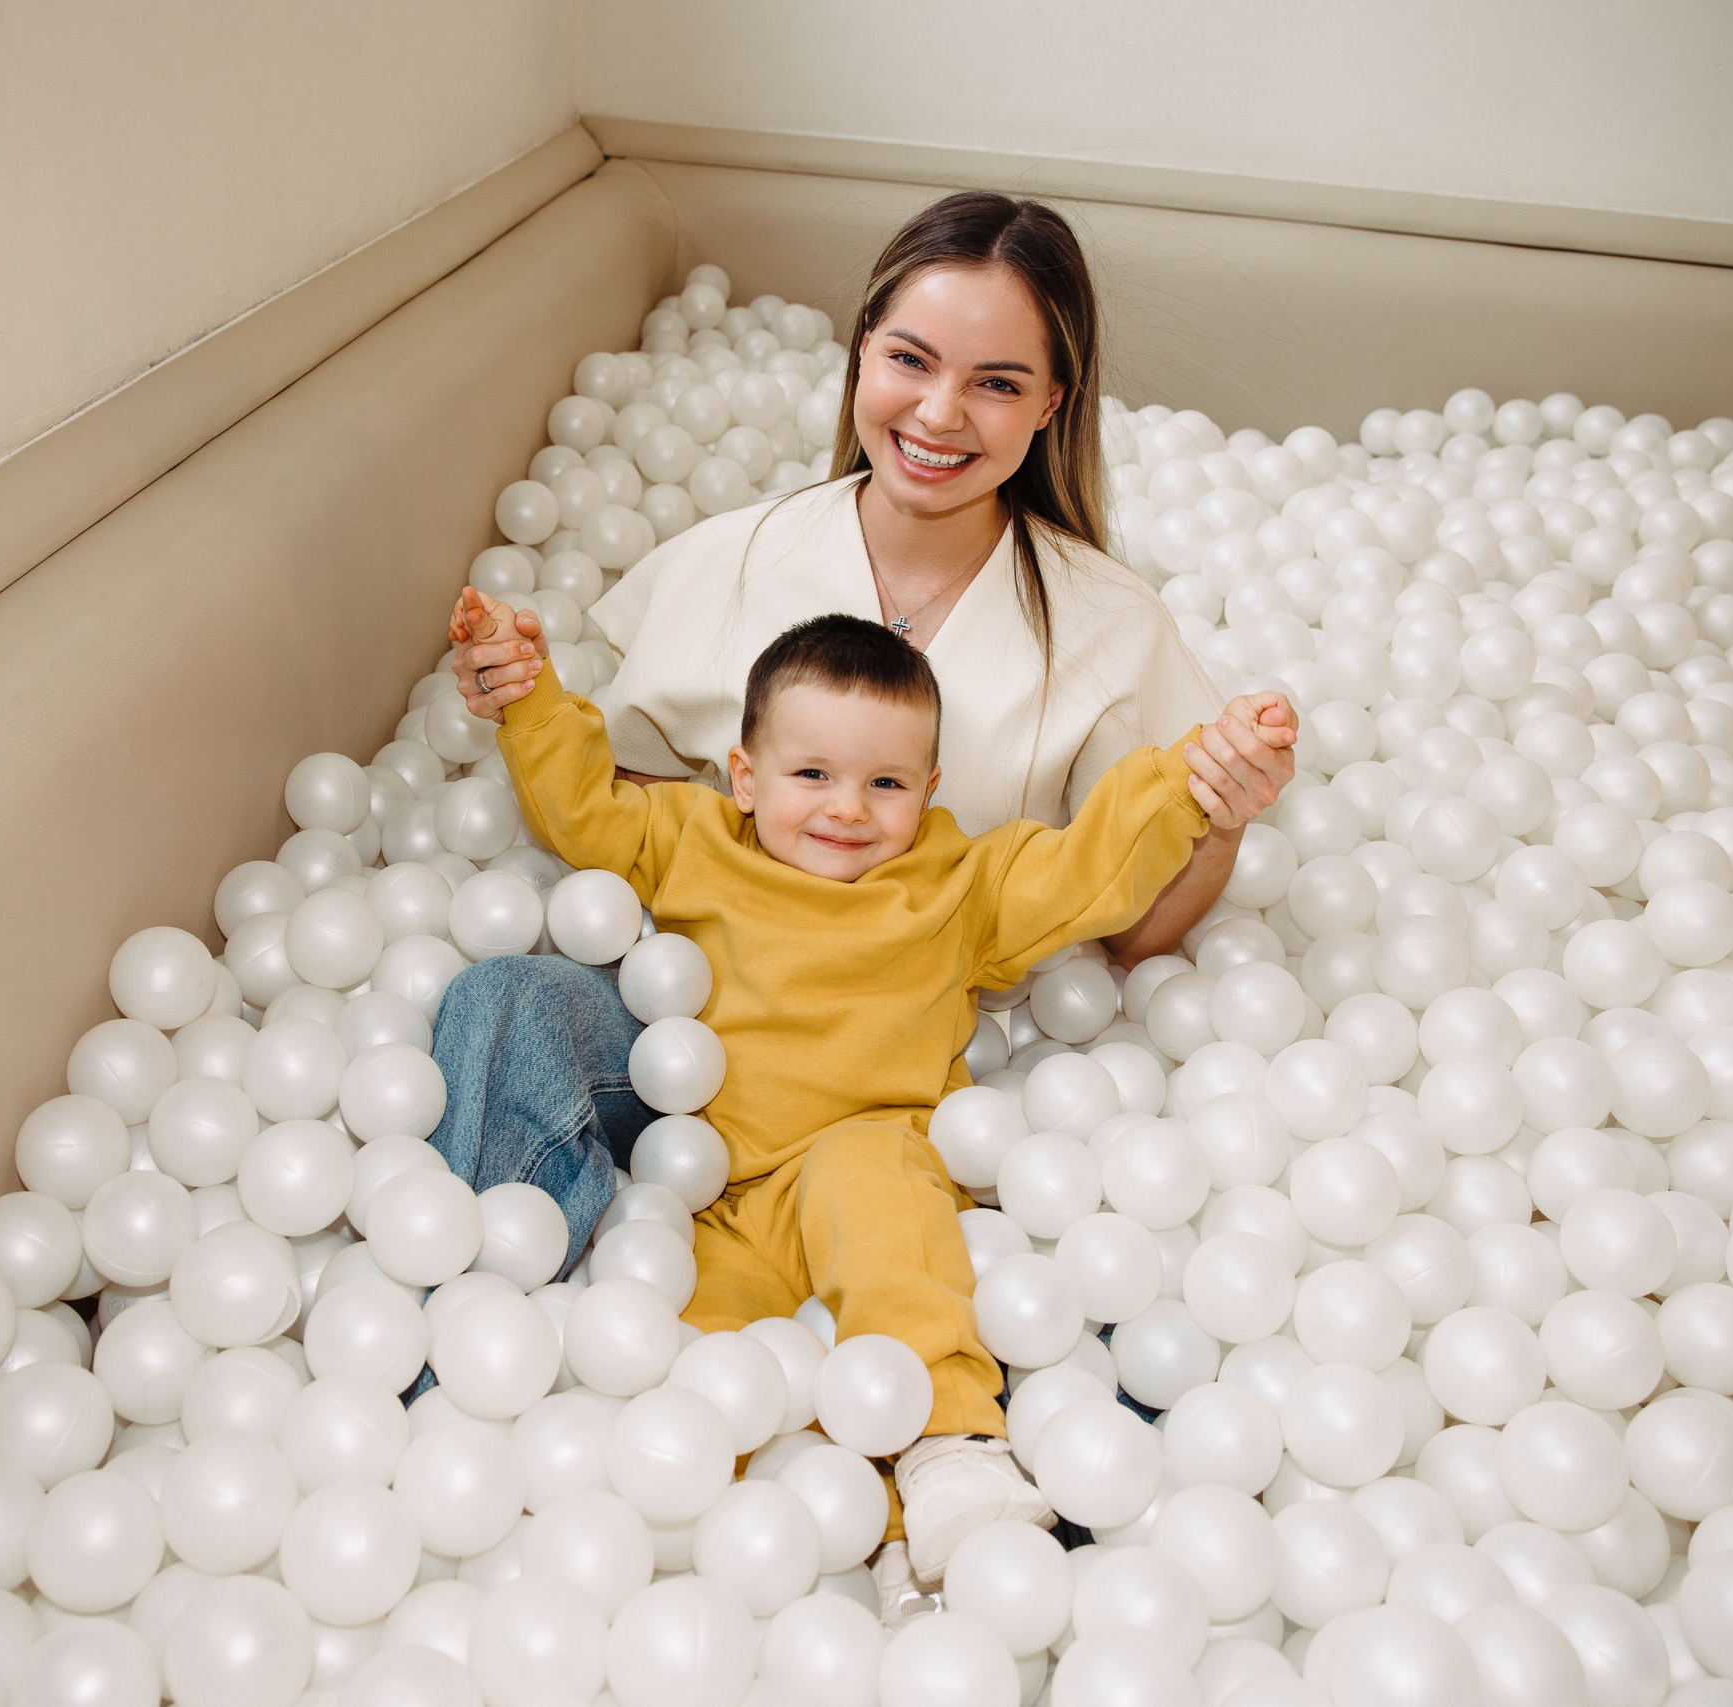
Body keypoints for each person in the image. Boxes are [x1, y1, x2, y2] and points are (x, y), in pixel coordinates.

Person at [429, 189, 1294, 1274]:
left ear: (1050, 406)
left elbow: (1121, 926)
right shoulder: (738, 556)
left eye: (996, 384)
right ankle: (478, 1323)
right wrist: (527, 697)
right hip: (689, 1023)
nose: (938, 415)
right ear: (859, 355)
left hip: (894, 1077)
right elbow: (628, 815)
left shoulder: (1107, 626)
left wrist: (1217, 818)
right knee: (504, 1003)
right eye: (910, 360)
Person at [457, 588, 1292, 1585]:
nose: (849, 808)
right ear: (745, 779)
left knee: (888, 1239)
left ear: (929, 790)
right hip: (718, 1194)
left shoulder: (957, 887)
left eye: (886, 783)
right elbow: (581, 811)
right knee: (705, 1377)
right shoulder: (696, 838)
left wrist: (1190, 775)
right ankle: (820, 1560)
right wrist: (531, 699)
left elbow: (1085, 869)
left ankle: (948, 1452)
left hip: (867, 1154)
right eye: (811, 774)